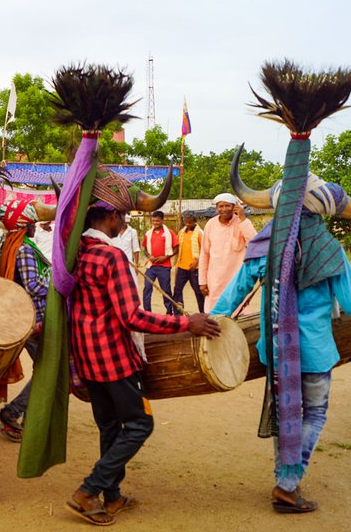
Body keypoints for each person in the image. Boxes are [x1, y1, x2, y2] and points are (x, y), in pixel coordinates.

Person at [219, 62, 351, 513]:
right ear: (324, 211)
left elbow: (235, 290)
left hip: (274, 349)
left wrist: (213, 320)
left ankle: (285, 476)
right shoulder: (331, 252)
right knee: (313, 412)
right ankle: (288, 481)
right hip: (315, 349)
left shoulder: (265, 241)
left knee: (284, 411)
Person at [66, 201, 220, 526]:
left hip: (87, 357)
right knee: (139, 424)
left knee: (109, 427)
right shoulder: (111, 256)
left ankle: (113, 496)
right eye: (121, 215)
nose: (123, 221)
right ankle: (89, 490)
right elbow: (131, 316)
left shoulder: (75, 254)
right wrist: (184, 324)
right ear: (112, 217)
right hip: (113, 359)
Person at [0, 198, 52, 441]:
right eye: (31, 222)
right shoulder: (25, 248)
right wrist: (59, 282)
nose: (35, 226)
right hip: (35, 318)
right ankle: (13, 413)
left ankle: (29, 418)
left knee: (45, 370)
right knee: (49, 372)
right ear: (24, 225)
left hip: (25, 317)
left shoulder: (10, 243)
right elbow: (33, 285)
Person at [198, 192, 256, 311]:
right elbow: (204, 254)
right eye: (221, 206)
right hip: (215, 280)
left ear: (234, 207)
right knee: (214, 314)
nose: (224, 209)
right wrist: (202, 281)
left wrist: (243, 218)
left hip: (236, 279)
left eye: (227, 206)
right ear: (216, 208)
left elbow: (254, 243)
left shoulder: (242, 222)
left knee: (239, 312)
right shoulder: (210, 224)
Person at [141, 211, 177, 314]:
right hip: (151, 266)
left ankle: (169, 313)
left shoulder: (169, 232)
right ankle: (147, 313)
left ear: (162, 220)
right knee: (147, 288)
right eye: (153, 221)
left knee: (166, 290)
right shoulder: (148, 233)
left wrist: (165, 257)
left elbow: (176, 248)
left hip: (164, 267)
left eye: (157, 220)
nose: (155, 223)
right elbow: (145, 249)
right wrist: (149, 256)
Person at [173, 213, 204, 313]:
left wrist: (196, 262)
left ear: (195, 222)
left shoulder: (200, 233)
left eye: (190, 223)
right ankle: (178, 314)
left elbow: (205, 250)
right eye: (186, 222)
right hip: (182, 266)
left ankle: (203, 313)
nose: (187, 224)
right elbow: (177, 246)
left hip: (195, 268)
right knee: (177, 290)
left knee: (198, 292)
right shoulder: (181, 232)